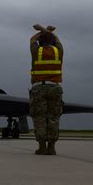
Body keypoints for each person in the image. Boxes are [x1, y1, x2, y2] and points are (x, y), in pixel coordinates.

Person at [29, 23, 64, 155]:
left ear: (40, 41)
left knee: (39, 117)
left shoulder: (36, 52)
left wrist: (41, 29)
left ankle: (42, 146)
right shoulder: (59, 52)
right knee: (54, 117)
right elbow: (57, 39)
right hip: (55, 87)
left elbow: (32, 39)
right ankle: (52, 147)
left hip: (39, 88)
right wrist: (48, 31)